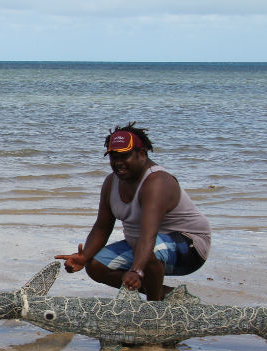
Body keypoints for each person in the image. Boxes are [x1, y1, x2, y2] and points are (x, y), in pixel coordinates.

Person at [55, 123, 211, 301]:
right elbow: (102, 227)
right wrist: (83, 257)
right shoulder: (110, 183)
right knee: (96, 266)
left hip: (189, 248)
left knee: (146, 253)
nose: (118, 163)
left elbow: (148, 234)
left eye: (125, 156)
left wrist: (136, 270)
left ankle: (154, 308)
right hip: (146, 245)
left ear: (142, 154)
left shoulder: (157, 182)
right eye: (113, 156)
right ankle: (167, 295)